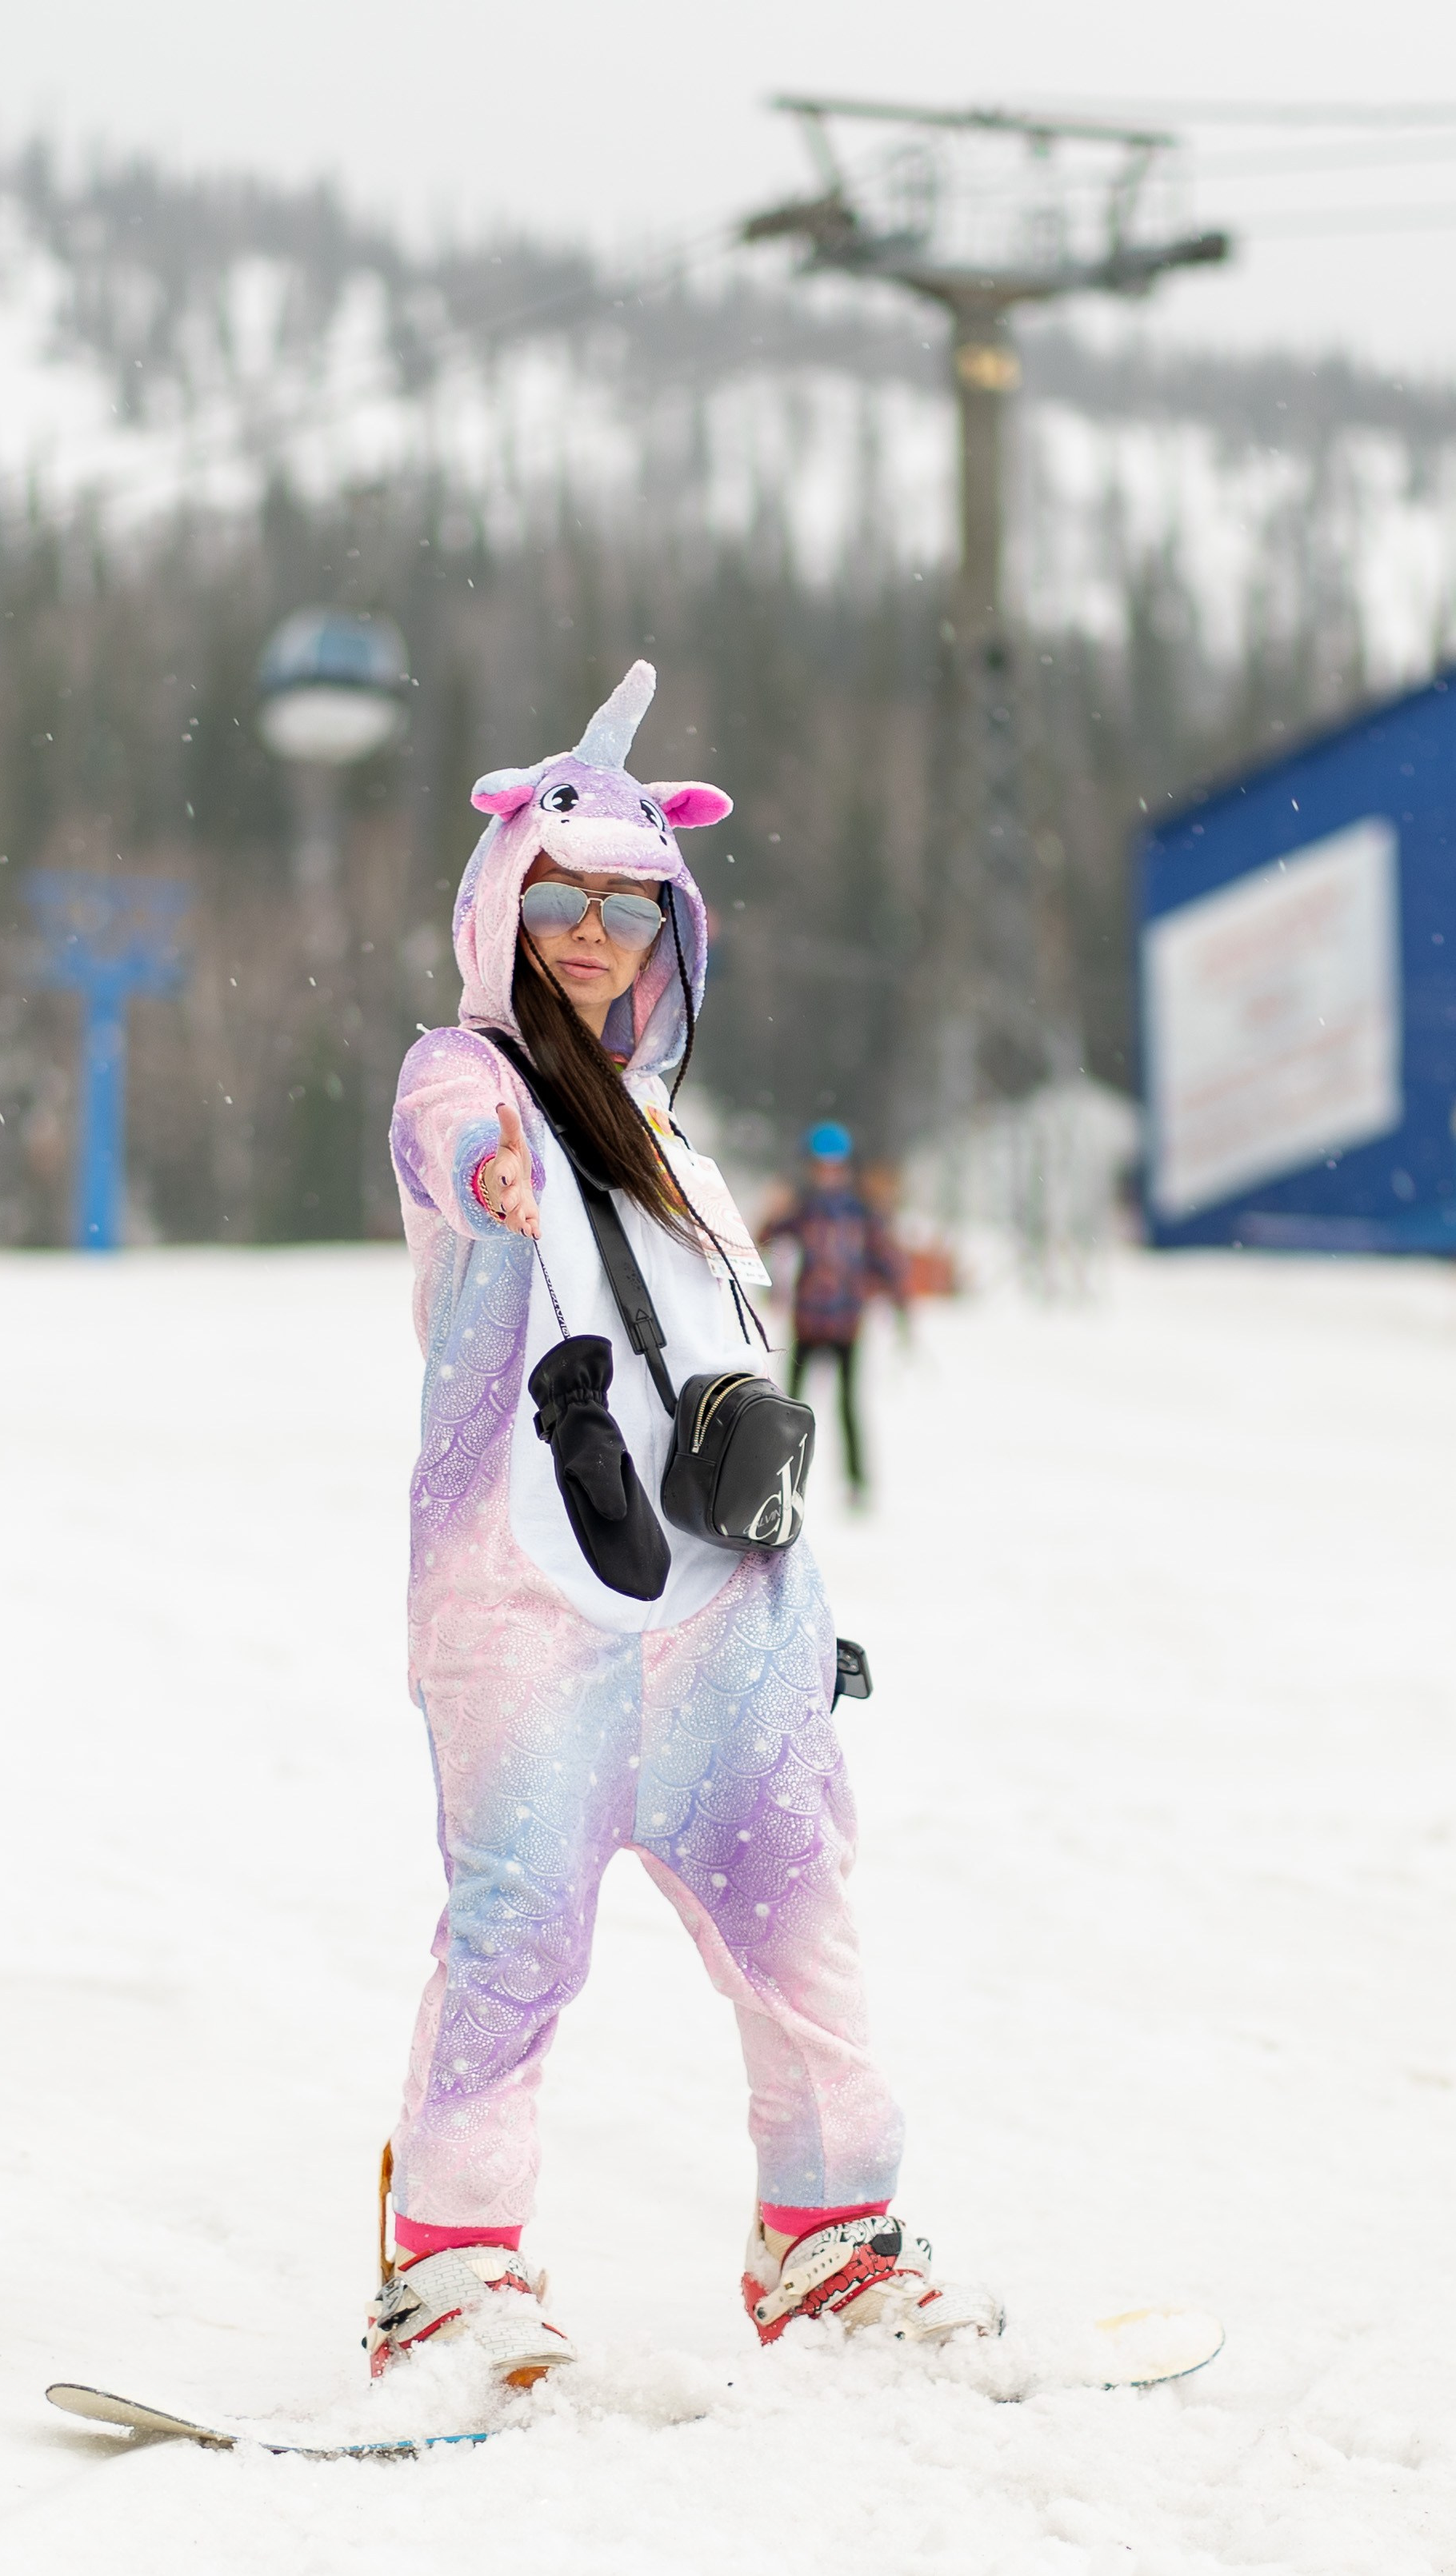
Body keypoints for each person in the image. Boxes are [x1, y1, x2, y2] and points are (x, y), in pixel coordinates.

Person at [374, 663, 998, 2389]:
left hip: (727, 1615)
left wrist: (799, 1603)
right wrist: (493, 1173)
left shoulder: (669, 1138)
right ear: (504, 904)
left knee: (801, 1926)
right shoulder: (466, 1074)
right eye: (557, 901)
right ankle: (448, 2270)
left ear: (665, 925)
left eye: (623, 907)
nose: (588, 934)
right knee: (517, 1935)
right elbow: (449, 1143)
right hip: (531, 1599)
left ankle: (830, 2243)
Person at [760, 1124, 910, 1508]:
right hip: (808, 1323)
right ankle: (775, 1483)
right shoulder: (802, 1207)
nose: (828, 1173)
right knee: (790, 1409)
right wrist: (771, 1212)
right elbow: (765, 1239)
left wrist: (900, 1302)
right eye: (821, 1166)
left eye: (835, 1166)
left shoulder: (862, 1211)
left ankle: (857, 1484)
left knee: (848, 1407)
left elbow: (886, 1259)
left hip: (846, 1325)